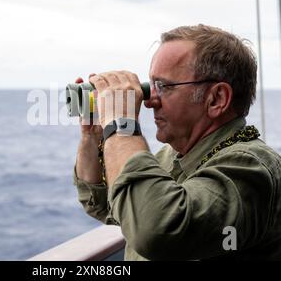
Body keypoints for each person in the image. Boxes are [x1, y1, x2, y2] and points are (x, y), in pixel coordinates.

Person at [73, 24, 281, 260]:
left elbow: (155, 229)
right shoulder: (171, 156)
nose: (149, 101)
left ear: (216, 99)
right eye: (150, 85)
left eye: (163, 86)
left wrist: (121, 124)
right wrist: (93, 136)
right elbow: (104, 204)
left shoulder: (249, 168)